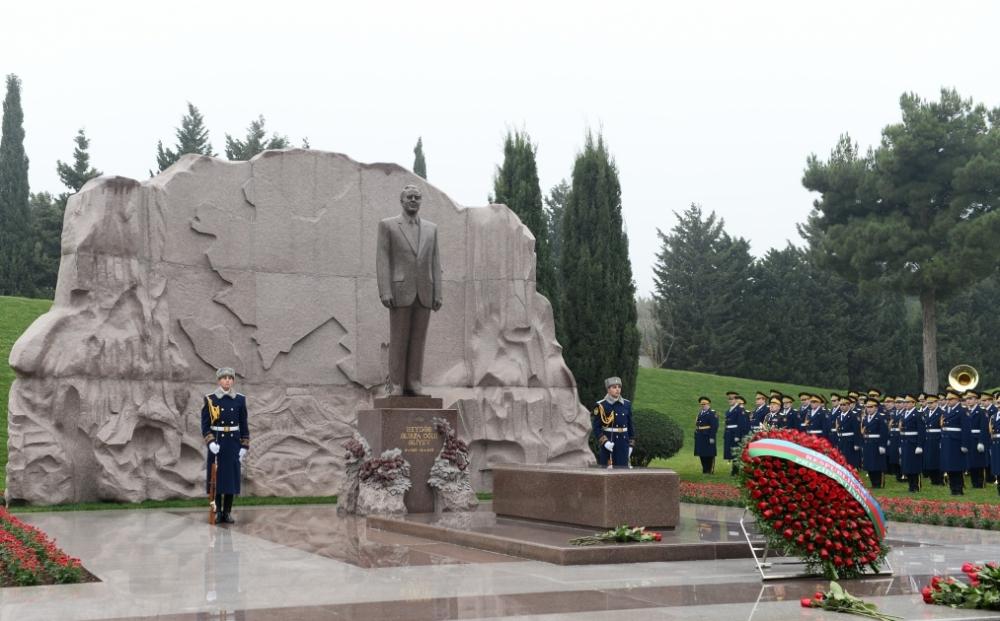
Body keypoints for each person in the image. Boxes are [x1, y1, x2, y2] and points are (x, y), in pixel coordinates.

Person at [376, 184, 443, 396]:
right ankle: (396, 384)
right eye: (409, 197)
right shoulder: (388, 225)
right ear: (402, 201)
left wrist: (438, 293)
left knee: (418, 340)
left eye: (417, 197)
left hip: (425, 292)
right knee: (398, 339)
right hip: (399, 291)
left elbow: (435, 262)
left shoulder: (432, 229)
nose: (413, 200)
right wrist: (385, 290)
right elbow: (383, 259)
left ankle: (414, 382)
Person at [201, 367, 250, 524]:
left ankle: (227, 512)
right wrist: (210, 442)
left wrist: (244, 445)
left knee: (230, 479)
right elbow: (205, 425)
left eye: (230, 378)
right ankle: (217, 512)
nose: (227, 380)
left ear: (233, 381)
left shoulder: (240, 399)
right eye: (224, 378)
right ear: (219, 380)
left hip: (233, 443)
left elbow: (243, 424)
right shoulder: (210, 399)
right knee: (216, 479)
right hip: (218, 443)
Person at [592, 376, 634, 468]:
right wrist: (605, 442)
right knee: (607, 471)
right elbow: (596, 427)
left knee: (623, 471)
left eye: (619, 387)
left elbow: (630, 426)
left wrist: (631, 445)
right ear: (608, 389)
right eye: (614, 387)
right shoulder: (601, 405)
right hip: (609, 443)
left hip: (623, 443)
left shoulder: (626, 404)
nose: (617, 389)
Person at [940, 389, 969, 495]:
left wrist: (964, 444)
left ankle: (959, 489)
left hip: (956, 442)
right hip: (947, 441)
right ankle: (953, 488)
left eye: (950, 399)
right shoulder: (946, 411)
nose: (948, 401)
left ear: (957, 399)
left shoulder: (962, 411)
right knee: (949, 467)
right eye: (947, 399)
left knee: (957, 467)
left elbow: (966, 429)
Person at [898, 394, 925, 492]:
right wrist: (900, 444)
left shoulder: (917, 414)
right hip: (905, 442)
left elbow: (921, 431)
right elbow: (901, 430)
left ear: (913, 403)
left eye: (907, 402)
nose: (905, 404)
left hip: (913, 443)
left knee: (914, 466)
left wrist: (919, 445)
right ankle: (910, 485)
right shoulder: (903, 414)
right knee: (907, 465)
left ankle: (916, 486)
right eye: (905, 402)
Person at [861, 397, 888, 489]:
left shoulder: (880, 417)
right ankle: (873, 483)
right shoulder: (865, 418)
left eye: (871, 407)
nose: (868, 409)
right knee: (869, 464)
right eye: (867, 407)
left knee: (877, 464)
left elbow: (884, 432)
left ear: (876, 408)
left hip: (876, 443)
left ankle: (878, 483)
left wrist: (882, 445)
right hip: (867, 443)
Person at [965, 390, 989, 488]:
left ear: (976, 400)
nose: (968, 401)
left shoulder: (981, 411)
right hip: (969, 439)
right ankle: (974, 482)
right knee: (971, 462)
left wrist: (981, 442)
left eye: (970, 399)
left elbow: (984, 428)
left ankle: (980, 483)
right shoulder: (966, 411)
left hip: (977, 439)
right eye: (967, 399)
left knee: (979, 462)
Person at [723, 392, 748, 475]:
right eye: (729, 399)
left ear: (736, 400)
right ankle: (734, 469)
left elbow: (740, 424)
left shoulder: (739, 410)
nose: (730, 401)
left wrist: (737, 435)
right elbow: (727, 424)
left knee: (736, 452)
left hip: (734, 433)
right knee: (730, 452)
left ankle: (735, 470)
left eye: (732, 399)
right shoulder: (729, 410)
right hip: (729, 433)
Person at [694, 396, 718, 474]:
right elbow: (698, 424)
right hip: (700, 435)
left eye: (704, 404)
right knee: (702, 453)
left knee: (709, 453)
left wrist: (712, 437)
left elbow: (714, 426)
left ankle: (709, 469)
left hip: (708, 435)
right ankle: (704, 469)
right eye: (701, 404)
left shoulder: (712, 413)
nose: (703, 405)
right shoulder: (700, 413)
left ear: (708, 404)